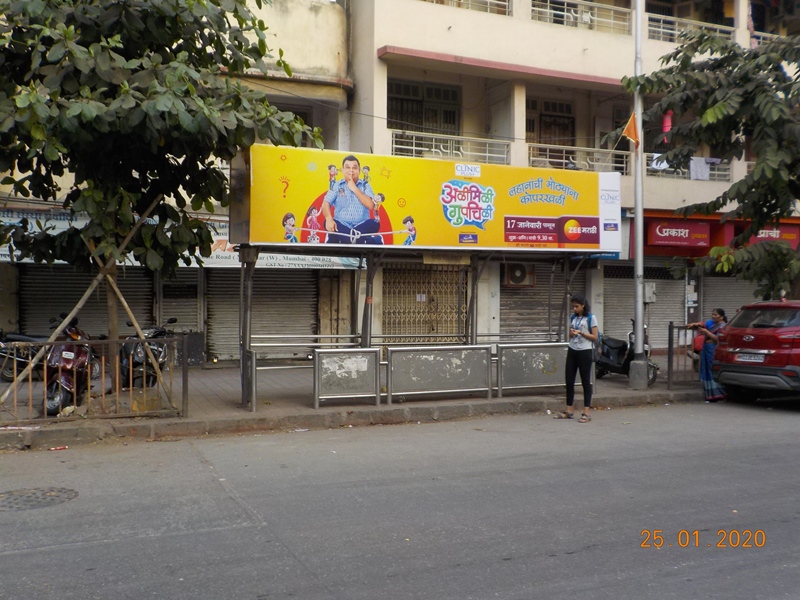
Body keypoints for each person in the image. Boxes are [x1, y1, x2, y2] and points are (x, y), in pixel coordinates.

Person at [555, 294, 599, 422]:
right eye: (573, 306)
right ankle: (569, 410)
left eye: (577, 306)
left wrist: (582, 333)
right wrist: (572, 333)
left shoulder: (591, 318)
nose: (574, 309)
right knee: (569, 380)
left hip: (585, 351)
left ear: (583, 305)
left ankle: (586, 412)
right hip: (573, 349)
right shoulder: (573, 317)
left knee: (585, 381)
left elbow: (595, 336)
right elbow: (569, 334)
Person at [321, 155, 381, 244]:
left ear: (359, 171)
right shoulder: (337, 185)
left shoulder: (365, 186)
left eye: (354, 168)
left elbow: (371, 205)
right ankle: (364, 240)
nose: (351, 170)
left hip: (361, 226)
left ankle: (345, 238)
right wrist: (329, 219)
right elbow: (326, 203)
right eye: (348, 167)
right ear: (343, 170)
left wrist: (354, 188)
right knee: (327, 222)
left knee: (374, 224)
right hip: (342, 226)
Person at [687, 308, 727, 402]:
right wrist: (694, 324)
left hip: (713, 348)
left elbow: (718, 339)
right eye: (712, 314)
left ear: (721, 317)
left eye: (715, 315)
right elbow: (703, 324)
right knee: (705, 368)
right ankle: (709, 393)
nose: (713, 316)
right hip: (706, 347)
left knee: (711, 368)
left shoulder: (723, 326)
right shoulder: (711, 323)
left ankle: (718, 393)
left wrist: (707, 332)